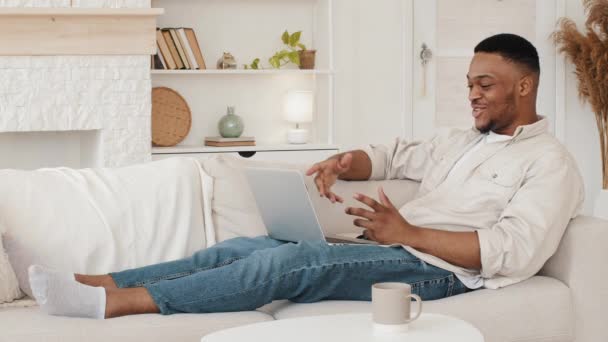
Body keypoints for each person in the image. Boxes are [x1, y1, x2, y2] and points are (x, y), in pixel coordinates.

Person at [28, 33, 584, 319]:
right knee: (244, 246)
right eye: (468, 83)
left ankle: (123, 305)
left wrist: (407, 234)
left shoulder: (549, 162)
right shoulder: (463, 140)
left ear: (524, 86)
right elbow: (392, 154)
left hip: (440, 272)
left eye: (485, 84)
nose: (472, 94)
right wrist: (344, 162)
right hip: (397, 248)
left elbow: (513, 252)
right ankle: (107, 280)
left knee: (292, 262)